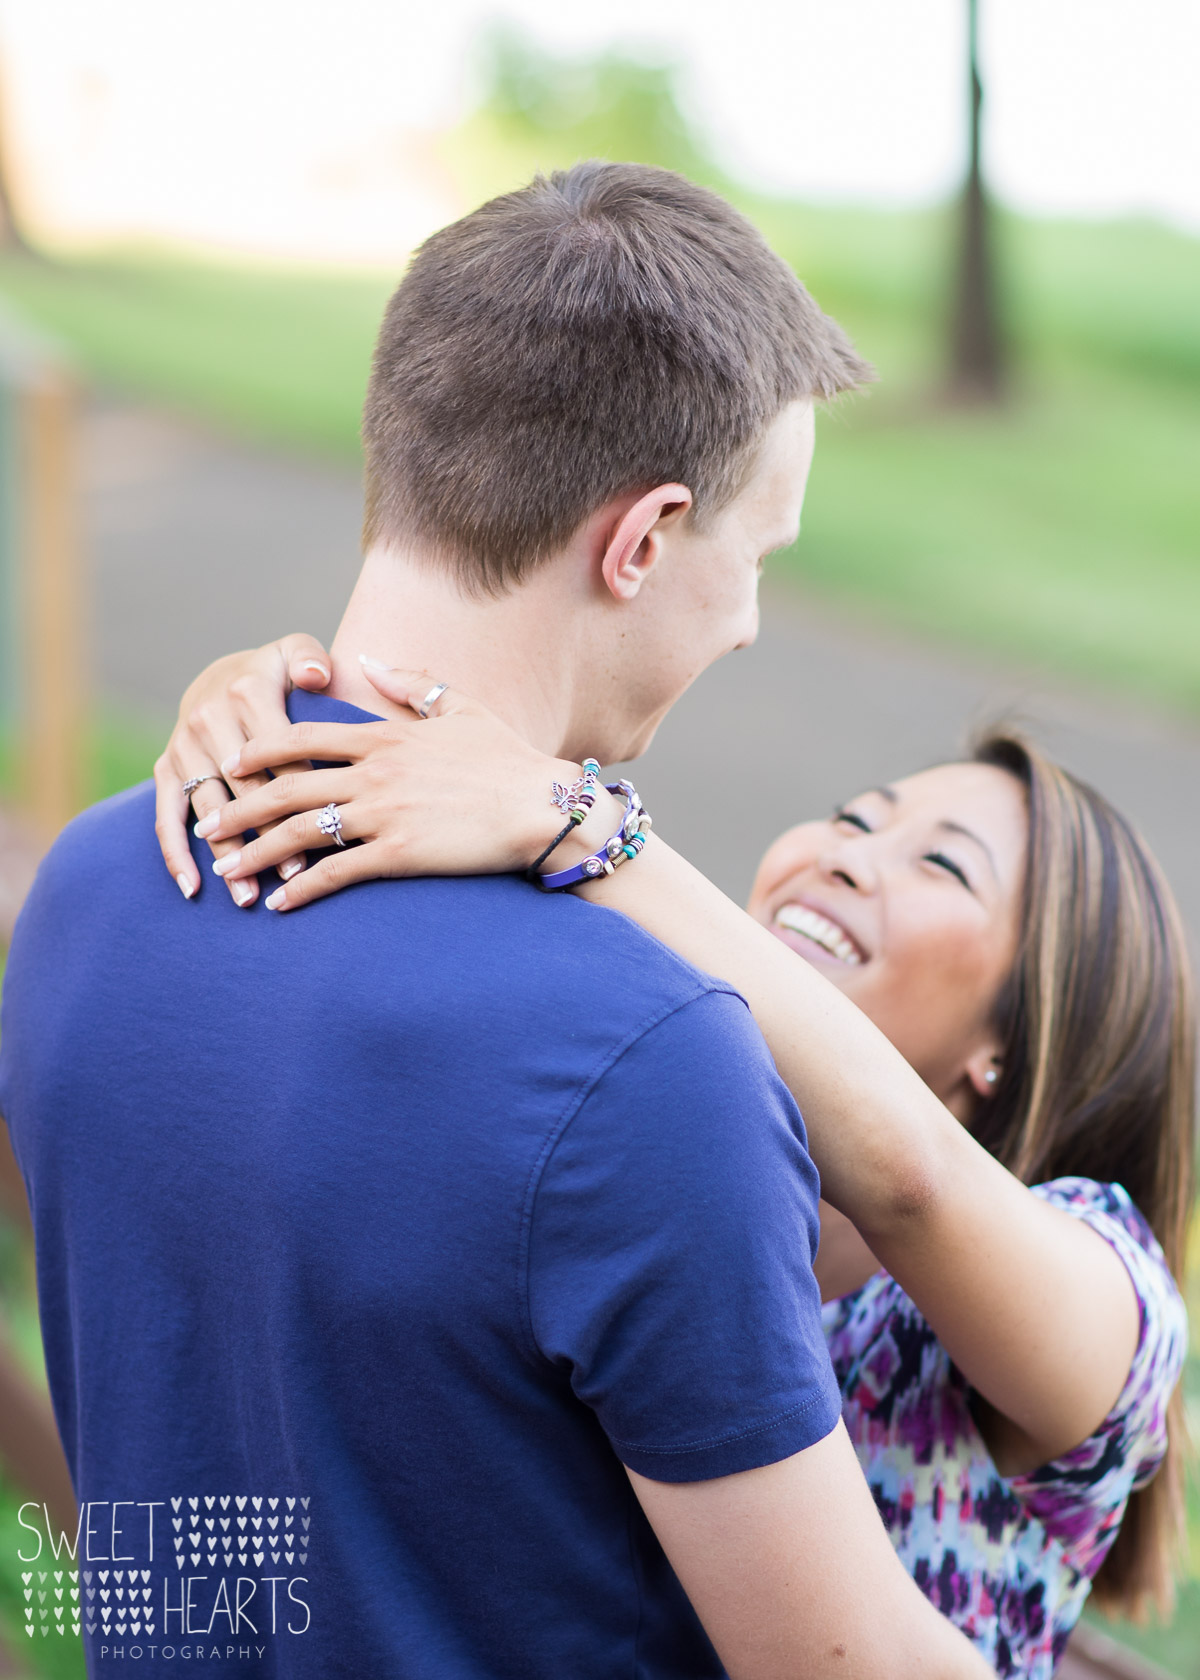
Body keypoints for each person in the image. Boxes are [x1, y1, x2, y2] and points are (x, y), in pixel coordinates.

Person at [0, 163, 995, 1679]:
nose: (743, 621)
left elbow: (190, 1472)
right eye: (757, 561)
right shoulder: (648, 1070)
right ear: (645, 540)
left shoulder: (84, 887)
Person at [149, 642, 1194, 1680]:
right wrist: (267, 706)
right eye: (855, 816)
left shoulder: (1114, 1297)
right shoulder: (675, 1136)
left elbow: (912, 1174)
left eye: (941, 863)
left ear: (1013, 1040)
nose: (844, 852)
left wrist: (576, 815)